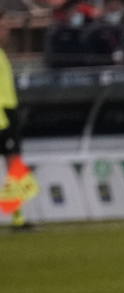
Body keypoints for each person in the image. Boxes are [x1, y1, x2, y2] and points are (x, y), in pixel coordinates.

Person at [0, 15, 35, 232]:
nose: (6, 31)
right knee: (13, 163)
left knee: (14, 165)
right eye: (2, 28)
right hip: (2, 114)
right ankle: (17, 218)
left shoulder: (2, 55)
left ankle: (18, 218)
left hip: (8, 112)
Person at [83, 0, 124, 68]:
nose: (115, 8)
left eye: (118, 4)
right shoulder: (94, 29)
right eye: (111, 6)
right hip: (102, 71)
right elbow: (88, 56)